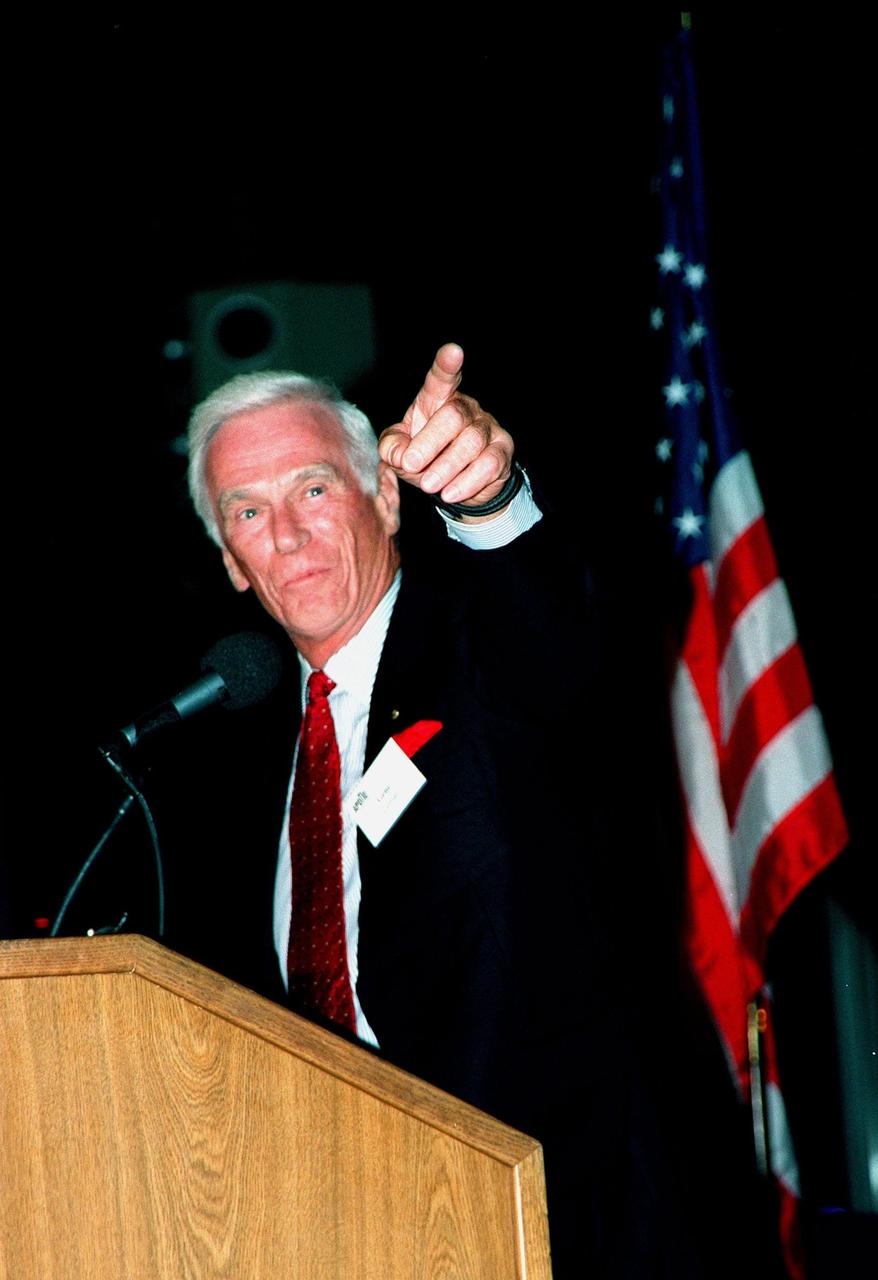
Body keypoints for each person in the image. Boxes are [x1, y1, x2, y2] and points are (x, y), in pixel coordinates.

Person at [167, 343, 700, 1277]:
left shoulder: (481, 650)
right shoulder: (235, 765)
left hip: (554, 1220)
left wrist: (490, 503)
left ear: (383, 492)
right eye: (248, 512)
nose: (285, 534)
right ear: (231, 564)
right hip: (349, 1227)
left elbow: (563, 656)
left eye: (315, 490)